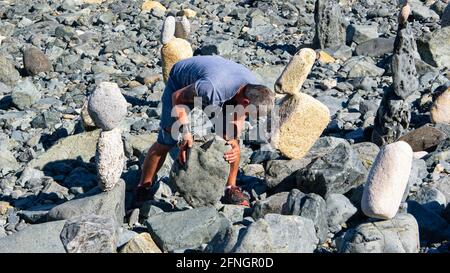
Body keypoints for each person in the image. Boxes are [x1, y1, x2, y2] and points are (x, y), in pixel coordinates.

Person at [136, 55, 275, 206]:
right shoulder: (212, 89)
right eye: (249, 114)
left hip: (222, 86)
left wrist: (233, 139)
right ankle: (144, 186)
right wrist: (185, 133)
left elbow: (239, 115)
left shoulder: (254, 88)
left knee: (232, 143)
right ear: (246, 102)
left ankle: (231, 187)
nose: (247, 117)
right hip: (181, 82)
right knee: (167, 139)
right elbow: (177, 97)